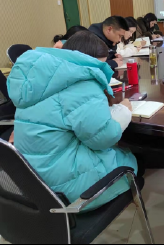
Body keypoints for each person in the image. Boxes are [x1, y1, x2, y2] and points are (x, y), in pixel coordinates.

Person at [7, 31, 140, 211]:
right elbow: (103, 138)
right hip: (64, 192)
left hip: (30, 180)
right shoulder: (83, 83)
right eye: (99, 66)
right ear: (86, 61)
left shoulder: (37, 78)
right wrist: (124, 111)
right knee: (129, 160)